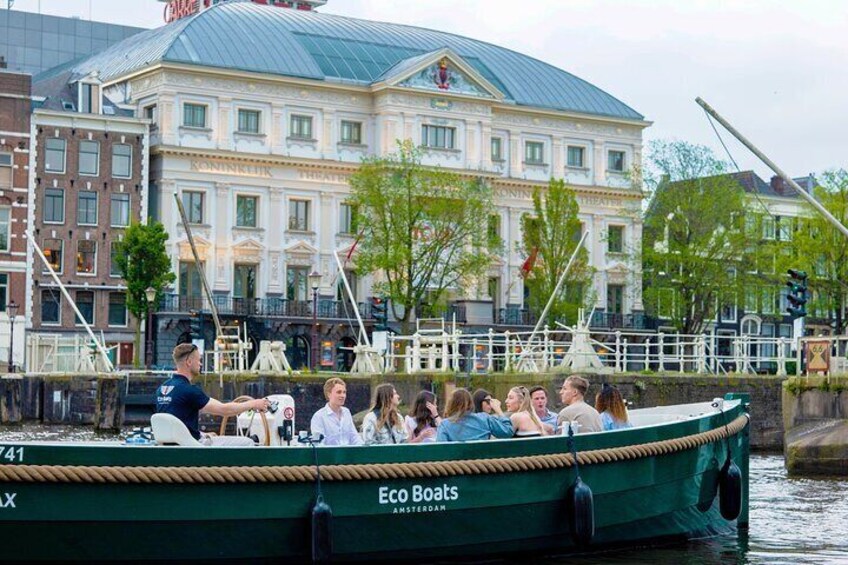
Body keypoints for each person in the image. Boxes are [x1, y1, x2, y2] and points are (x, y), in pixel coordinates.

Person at [156, 343, 270, 446]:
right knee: (248, 442)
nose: (200, 364)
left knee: (213, 437)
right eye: (199, 360)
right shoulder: (189, 390)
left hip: (173, 447)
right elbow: (224, 410)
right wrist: (253, 403)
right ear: (189, 362)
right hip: (192, 449)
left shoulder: (162, 389)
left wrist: (201, 434)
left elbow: (179, 423)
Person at [436, 388, 513, 442]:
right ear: (471, 403)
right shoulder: (485, 418)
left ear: (450, 404)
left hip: (457, 464)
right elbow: (508, 432)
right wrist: (499, 411)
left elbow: (441, 451)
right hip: (483, 464)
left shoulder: (444, 425)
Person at [310, 377, 363, 446]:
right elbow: (319, 444)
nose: (343, 395)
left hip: (347, 455)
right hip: (329, 455)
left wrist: (364, 450)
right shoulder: (319, 416)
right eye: (339, 392)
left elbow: (354, 437)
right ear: (329, 394)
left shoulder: (346, 412)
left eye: (344, 392)